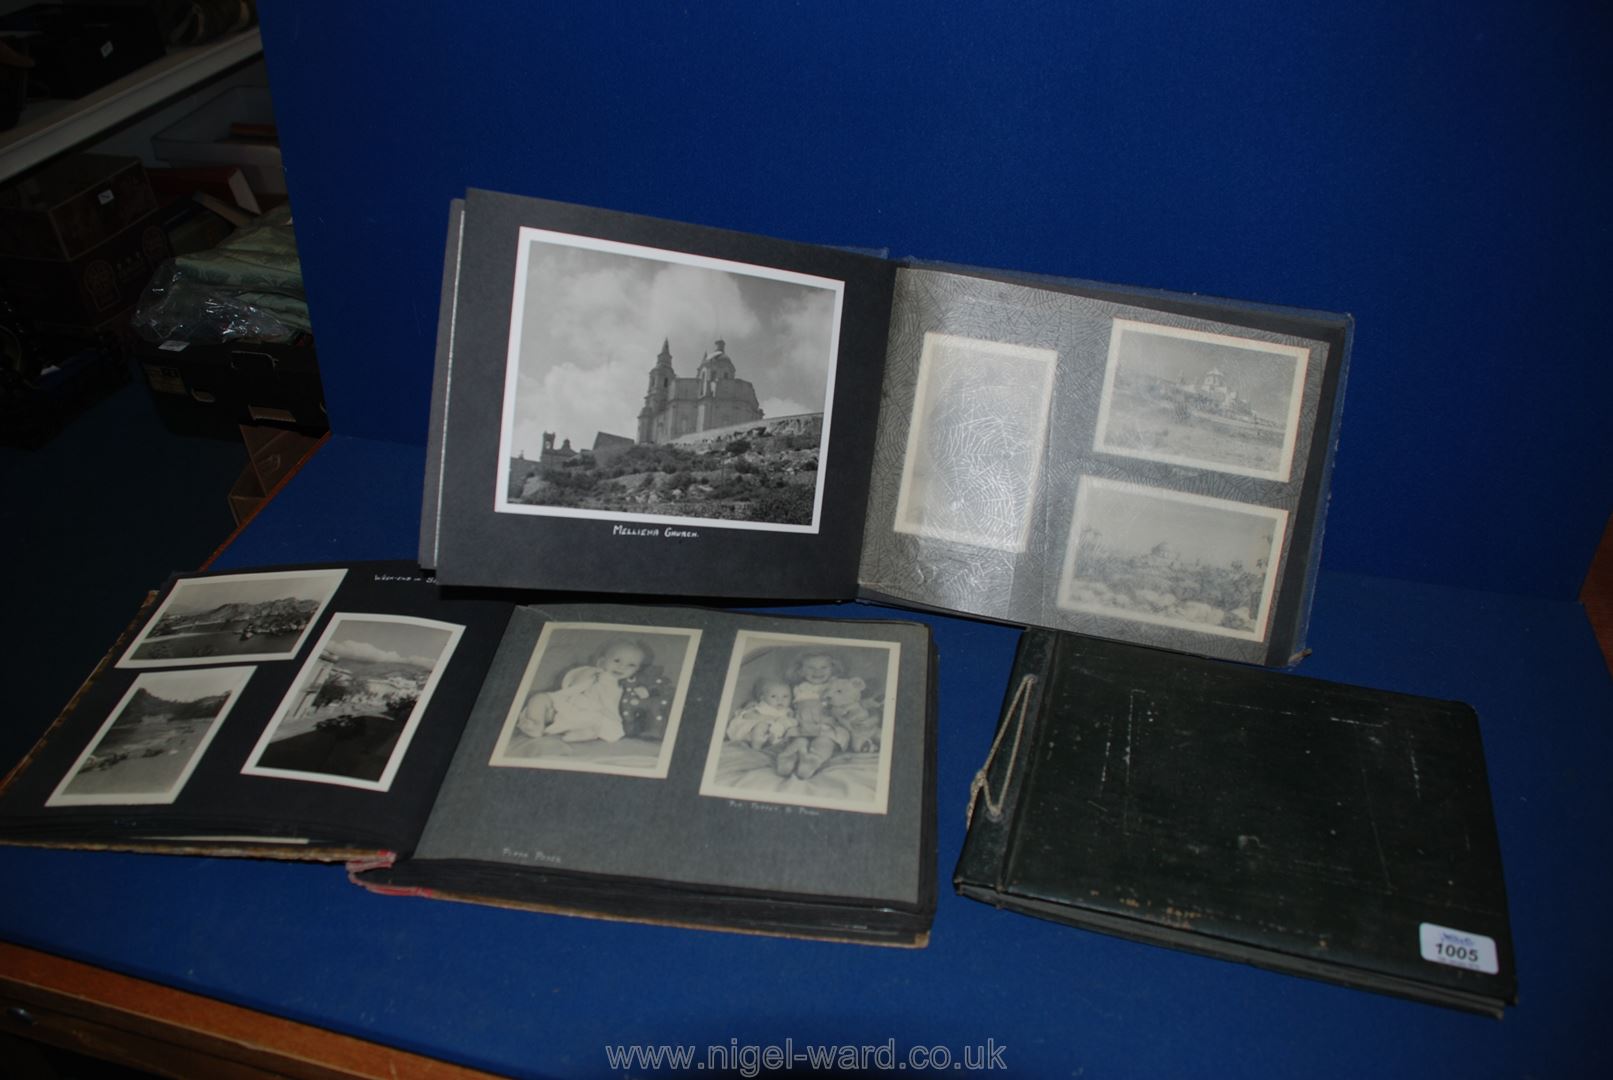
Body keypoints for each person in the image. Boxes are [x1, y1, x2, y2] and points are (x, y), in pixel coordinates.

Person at [517, 639, 652, 744]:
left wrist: (641, 692)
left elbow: (631, 702)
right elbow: (572, 683)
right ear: (602, 662)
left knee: (594, 724)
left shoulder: (625, 686)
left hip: (592, 715)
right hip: (562, 707)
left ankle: (583, 733)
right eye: (617, 660)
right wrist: (589, 675)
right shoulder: (591, 672)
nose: (622, 667)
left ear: (637, 670)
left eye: (631, 665)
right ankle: (536, 723)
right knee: (539, 698)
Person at [727, 677, 797, 749]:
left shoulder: (788, 711)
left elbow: (790, 723)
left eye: (785, 696)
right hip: (750, 732)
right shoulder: (762, 706)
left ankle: (768, 742)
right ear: (763, 698)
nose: (780, 700)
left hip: (773, 735)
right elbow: (747, 715)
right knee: (761, 726)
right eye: (773, 696)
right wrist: (766, 717)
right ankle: (756, 746)